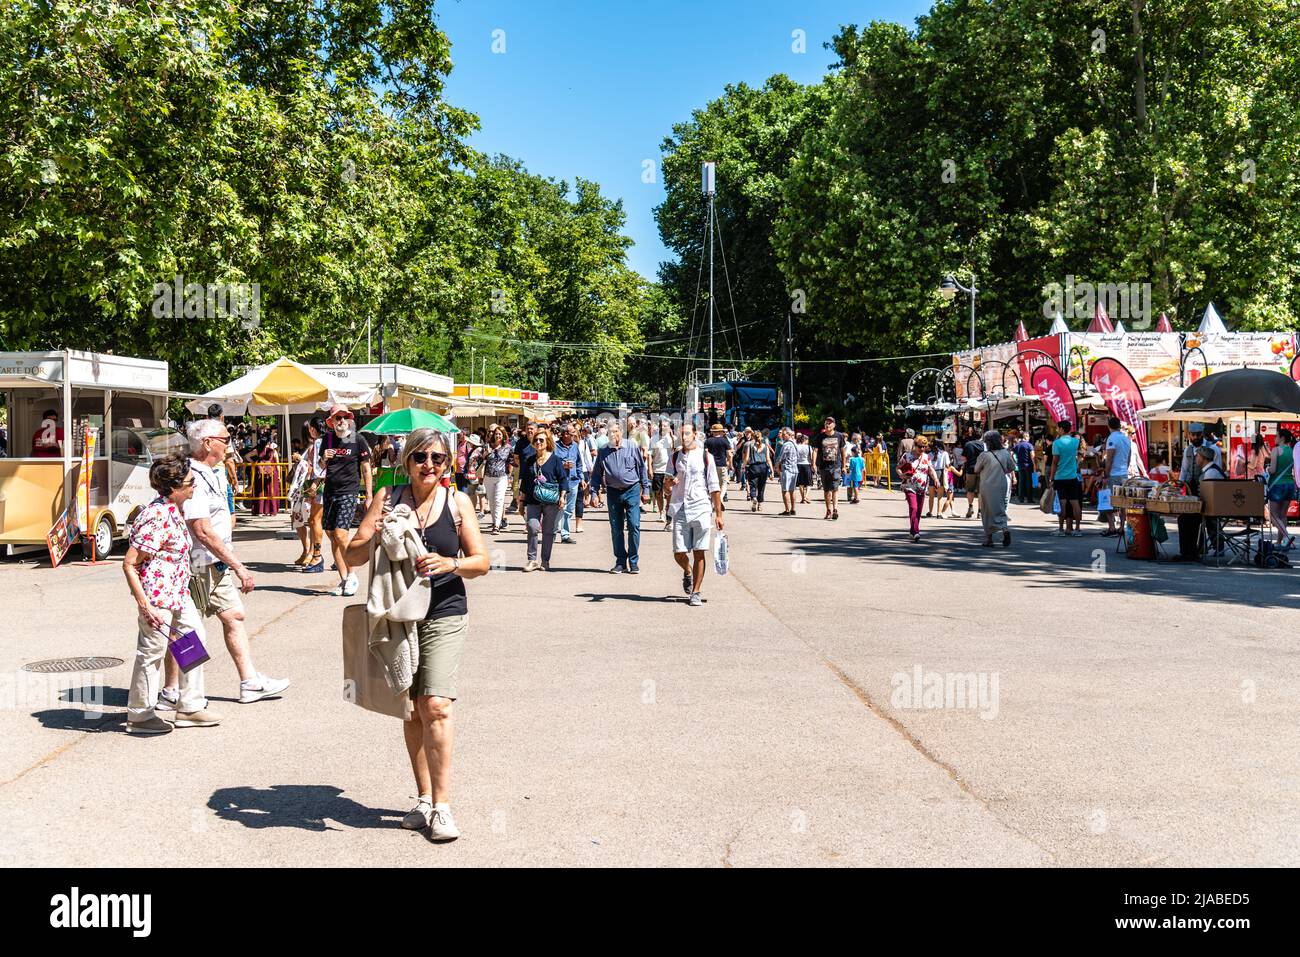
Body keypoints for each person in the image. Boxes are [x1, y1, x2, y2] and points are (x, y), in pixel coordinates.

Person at [345, 428, 491, 842]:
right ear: (406, 461)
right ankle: (423, 797)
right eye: (421, 457)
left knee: (437, 704)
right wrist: (376, 531)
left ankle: (443, 807)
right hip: (398, 614)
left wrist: (450, 564)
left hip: (445, 610)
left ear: (448, 465)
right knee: (411, 709)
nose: (429, 465)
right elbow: (351, 555)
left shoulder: (457, 503)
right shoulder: (387, 500)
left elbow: (481, 562)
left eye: (438, 459)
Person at [160, 418, 289, 710]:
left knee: (233, 616)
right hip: (197, 565)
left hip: (214, 564)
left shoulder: (211, 472)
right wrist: (239, 565)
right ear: (207, 443)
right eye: (225, 439)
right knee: (184, 630)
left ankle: (249, 682)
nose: (229, 444)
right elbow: (201, 530)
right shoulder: (191, 477)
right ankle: (175, 692)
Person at [122, 455, 220, 734]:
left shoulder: (174, 509)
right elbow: (130, 563)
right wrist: (145, 605)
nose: (194, 486)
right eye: (190, 482)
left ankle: (190, 705)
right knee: (151, 653)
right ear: (173, 487)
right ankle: (140, 716)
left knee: (195, 637)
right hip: (157, 598)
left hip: (177, 593)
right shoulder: (156, 515)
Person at [664, 422, 724, 606]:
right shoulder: (675, 457)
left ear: (695, 435)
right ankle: (688, 571)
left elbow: (714, 487)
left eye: (687, 434)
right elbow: (665, 486)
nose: (684, 437)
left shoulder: (706, 457)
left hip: (701, 508)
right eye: (682, 434)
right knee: (678, 552)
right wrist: (670, 484)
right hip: (680, 508)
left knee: (700, 551)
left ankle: (696, 592)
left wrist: (719, 515)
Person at [320, 405, 373, 597]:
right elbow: (320, 466)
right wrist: (323, 459)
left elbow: (366, 469)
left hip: (348, 492)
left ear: (349, 419)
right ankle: (343, 581)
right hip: (329, 492)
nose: (341, 421)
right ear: (331, 421)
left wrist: (369, 496)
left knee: (341, 535)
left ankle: (351, 575)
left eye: (344, 417)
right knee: (332, 535)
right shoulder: (328, 439)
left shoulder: (357, 439)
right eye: (337, 418)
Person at [589, 423, 650, 574]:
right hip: (613, 492)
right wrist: (594, 493)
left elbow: (641, 468)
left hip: (632, 490)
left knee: (634, 525)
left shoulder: (631, 446)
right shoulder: (603, 451)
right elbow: (596, 474)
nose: (613, 434)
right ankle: (620, 562)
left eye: (615, 431)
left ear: (621, 432)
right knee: (616, 528)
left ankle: (634, 561)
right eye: (610, 432)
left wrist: (646, 489)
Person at [521, 427, 565, 572]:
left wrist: (562, 497)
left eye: (541, 440)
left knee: (548, 531)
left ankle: (545, 560)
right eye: (536, 440)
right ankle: (532, 560)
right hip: (533, 500)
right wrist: (521, 501)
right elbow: (525, 482)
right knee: (532, 527)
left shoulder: (555, 460)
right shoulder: (529, 460)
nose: (538, 442)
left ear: (548, 442)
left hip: (551, 500)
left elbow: (563, 479)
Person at [973, 431, 1016, 547]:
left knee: (986, 511)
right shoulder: (1005, 453)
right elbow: (1012, 467)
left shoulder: (984, 455)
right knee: (1000, 508)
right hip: (1001, 484)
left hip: (987, 486)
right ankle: (1005, 529)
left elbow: (976, 469)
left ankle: (989, 539)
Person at [898, 436, 938, 542]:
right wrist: (902, 475)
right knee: (914, 508)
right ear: (915, 446)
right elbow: (898, 468)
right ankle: (916, 531)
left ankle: (912, 530)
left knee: (919, 511)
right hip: (910, 486)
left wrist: (936, 479)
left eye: (924, 447)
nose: (922, 449)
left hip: (922, 488)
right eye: (920, 447)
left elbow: (931, 470)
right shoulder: (907, 456)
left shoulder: (926, 457)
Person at [1048, 420, 1083, 536]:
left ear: (1062, 429)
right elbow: (1078, 456)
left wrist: (1051, 478)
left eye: (1058, 428)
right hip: (1072, 476)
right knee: (1075, 502)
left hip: (1060, 476)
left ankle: (1061, 529)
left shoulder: (1056, 443)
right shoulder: (1075, 441)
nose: (1057, 430)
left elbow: (1054, 462)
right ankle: (1077, 529)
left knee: (1062, 503)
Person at [811, 417, 848, 520]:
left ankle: (835, 509)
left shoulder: (839, 436)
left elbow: (843, 452)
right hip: (823, 467)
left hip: (836, 466)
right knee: (827, 490)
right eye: (826, 423)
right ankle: (828, 510)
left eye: (830, 423)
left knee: (835, 489)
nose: (827, 425)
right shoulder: (820, 437)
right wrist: (813, 464)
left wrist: (843, 466)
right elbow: (815, 450)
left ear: (834, 425)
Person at [1101, 417, 1132, 537]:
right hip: (1124, 473)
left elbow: (1109, 459)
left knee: (1110, 501)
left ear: (1109, 426)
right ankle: (1122, 527)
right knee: (1123, 501)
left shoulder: (1112, 438)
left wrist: (1106, 474)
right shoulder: (1126, 438)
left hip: (1113, 474)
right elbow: (1128, 457)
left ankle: (1112, 527)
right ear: (1119, 426)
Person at [1265, 428, 1296, 548]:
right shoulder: (1291, 451)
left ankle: (1287, 536)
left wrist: (1267, 469)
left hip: (1277, 485)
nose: (1274, 438)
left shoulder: (1276, 450)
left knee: (1273, 516)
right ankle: (1279, 542)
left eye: (1276, 436)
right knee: (1283, 515)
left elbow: (1272, 470)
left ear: (1282, 438)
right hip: (1289, 484)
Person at [481, 425, 514, 534]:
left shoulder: (508, 448)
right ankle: (495, 522)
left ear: (504, 435)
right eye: (496, 434)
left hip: (502, 477)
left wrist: (510, 475)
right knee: (491, 501)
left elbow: (511, 462)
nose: (498, 436)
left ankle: (496, 526)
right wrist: (485, 454)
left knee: (499, 500)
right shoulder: (487, 446)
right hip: (488, 477)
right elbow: (481, 459)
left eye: (500, 434)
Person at [741, 429, 773, 512]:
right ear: (761, 437)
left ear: (753, 437)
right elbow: (768, 459)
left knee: (752, 484)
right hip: (763, 467)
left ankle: (754, 497)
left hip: (753, 467)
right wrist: (772, 470)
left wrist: (743, 467)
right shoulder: (766, 446)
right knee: (761, 487)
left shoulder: (750, 446)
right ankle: (759, 505)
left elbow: (746, 458)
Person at [649, 419, 674, 521]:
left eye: (665, 426)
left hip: (669, 471)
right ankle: (661, 513)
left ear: (668, 428)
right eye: (661, 426)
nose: (663, 427)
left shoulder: (672, 439)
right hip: (657, 469)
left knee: (669, 492)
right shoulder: (654, 439)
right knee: (658, 493)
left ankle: (668, 509)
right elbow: (650, 455)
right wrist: (650, 468)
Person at [704, 422, 733, 506]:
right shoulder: (725, 441)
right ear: (721, 432)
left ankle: (712, 501)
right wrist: (730, 465)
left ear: (713, 432)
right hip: (722, 465)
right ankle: (720, 498)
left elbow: (705, 453)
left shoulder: (708, 441)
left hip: (710, 466)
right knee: (723, 483)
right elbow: (729, 454)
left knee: (712, 484)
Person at [961, 428, 985, 519]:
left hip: (970, 470)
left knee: (970, 490)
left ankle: (970, 507)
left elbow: (963, 458)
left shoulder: (968, 444)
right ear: (981, 435)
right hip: (982, 470)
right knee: (980, 491)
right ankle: (980, 511)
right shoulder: (984, 445)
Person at [776, 427, 800, 515]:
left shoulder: (786, 445)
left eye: (784, 434)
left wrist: (776, 466)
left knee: (785, 490)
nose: (782, 435)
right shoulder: (795, 443)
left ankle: (787, 510)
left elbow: (780, 457)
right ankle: (793, 509)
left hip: (787, 469)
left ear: (789, 435)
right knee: (792, 490)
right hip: (794, 468)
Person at [926, 440, 951, 518]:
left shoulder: (929, 454)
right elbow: (947, 465)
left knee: (931, 496)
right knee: (940, 495)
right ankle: (939, 513)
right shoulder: (944, 453)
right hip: (940, 473)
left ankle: (930, 512)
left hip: (931, 473)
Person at [1013, 432, 1035, 504]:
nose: (1029, 438)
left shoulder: (1017, 445)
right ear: (1026, 437)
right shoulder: (1029, 445)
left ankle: (1021, 498)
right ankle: (1029, 499)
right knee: (1029, 482)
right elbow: (1032, 455)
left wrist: (1014, 462)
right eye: (1028, 437)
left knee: (1021, 482)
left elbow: (1011, 454)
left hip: (1020, 465)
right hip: (1028, 465)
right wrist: (1034, 464)